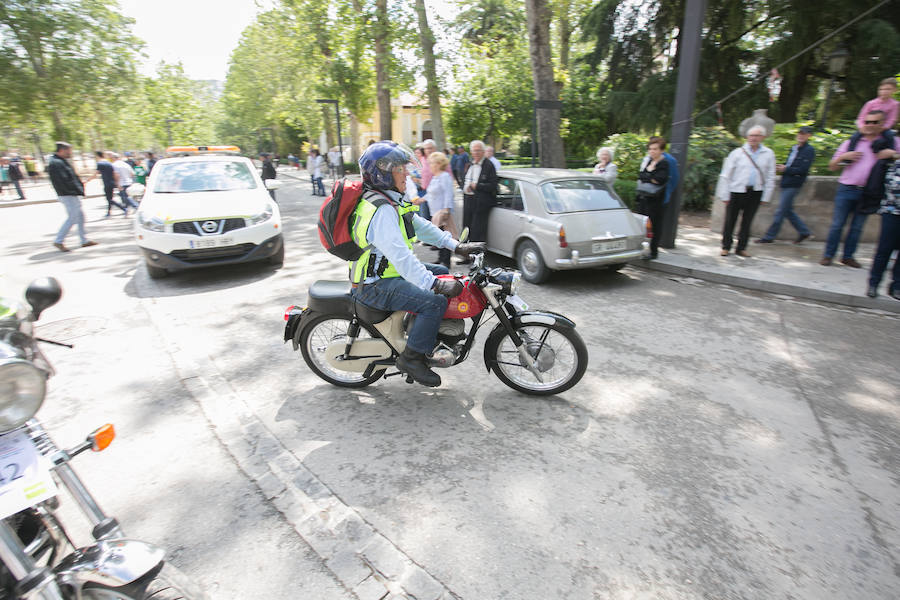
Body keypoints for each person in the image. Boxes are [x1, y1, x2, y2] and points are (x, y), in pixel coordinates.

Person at [348, 141, 484, 387]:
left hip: (386, 272)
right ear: (383, 173)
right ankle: (412, 358)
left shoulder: (390, 201)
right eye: (401, 169)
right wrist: (431, 284)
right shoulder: (381, 210)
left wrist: (456, 246)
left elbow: (420, 226)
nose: (407, 174)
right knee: (433, 300)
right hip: (374, 283)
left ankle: (425, 334)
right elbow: (402, 257)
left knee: (443, 272)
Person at [822, 110, 900, 266]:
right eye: (867, 122)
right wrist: (844, 157)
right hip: (847, 188)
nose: (870, 125)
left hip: (870, 192)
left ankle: (848, 256)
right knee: (837, 224)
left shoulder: (889, 143)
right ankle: (828, 255)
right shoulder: (852, 142)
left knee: (857, 227)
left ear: (883, 124)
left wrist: (893, 154)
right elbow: (832, 167)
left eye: (875, 122)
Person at [715, 125, 776, 257]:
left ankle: (741, 247)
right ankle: (726, 246)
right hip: (737, 190)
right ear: (747, 137)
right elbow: (726, 175)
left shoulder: (768, 154)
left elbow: (770, 176)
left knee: (747, 221)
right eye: (751, 135)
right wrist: (724, 195)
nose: (753, 138)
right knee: (730, 220)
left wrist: (766, 197)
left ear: (762, 137)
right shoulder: (737, 153)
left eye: (757, 135)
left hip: (755, 191)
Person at [756, 126, 815, 244]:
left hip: (794, 183)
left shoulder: (809, 150)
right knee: (787, 210)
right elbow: (791, 164)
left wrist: (786, 169)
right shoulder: (794, 148)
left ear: (809, 136)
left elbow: (803, 169)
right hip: (786, 181)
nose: (801, 135)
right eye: (800, 133)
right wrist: (783, 167)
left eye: (804, 134)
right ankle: (804, 232)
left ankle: (769, 236)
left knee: (781, 210)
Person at [48, 142, 98, 252]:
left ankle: (84, 240)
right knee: (73, 217)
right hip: (68, 194)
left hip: (71, 193)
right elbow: (65, 180)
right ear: (62, 150)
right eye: (69, 150)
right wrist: (75, 189)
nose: (70, 153)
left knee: (80, 217)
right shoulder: (56, 163)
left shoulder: (60, 161)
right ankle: (59, 240)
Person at [867, 153, 900, 299]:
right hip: (892, 213)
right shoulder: (896, 165)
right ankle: (873, 284)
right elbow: (894, 187)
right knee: (884, 250)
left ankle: (897, 286)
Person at [635, 137, 670, 260]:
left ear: (661, 150)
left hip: (655, 200)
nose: (652, 151)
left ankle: (653, 251)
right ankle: (642, 249)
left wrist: (648, 175)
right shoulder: (649, 161)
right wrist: (650, 176)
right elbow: (641, 176)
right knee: (642, 224)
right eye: (650, 149)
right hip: (644, 197)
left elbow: (660, 179)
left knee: (654, 225)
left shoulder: (664, 163)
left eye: (655, 149)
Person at [424, 151, 458, 269]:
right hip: (435, 212)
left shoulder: (444, 176)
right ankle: (440, 258)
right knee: (439, 236)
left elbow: (449, 194)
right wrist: (420, 200)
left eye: (432, 163)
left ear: (438, 164)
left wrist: (447, 209)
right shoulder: (435, 177)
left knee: (446, 236)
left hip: (443, 212)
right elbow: (430, 194)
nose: (430, 166)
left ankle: (446, 261)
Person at [461, 140, 498, 252]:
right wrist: (465, 186)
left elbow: (492, 186)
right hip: (468, 200)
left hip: (481, 203)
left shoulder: (489, 165)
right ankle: (466, 255)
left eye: (478, 151)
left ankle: (477, 259)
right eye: (474, 151)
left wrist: (477, 186)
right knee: (466, 229)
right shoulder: (470, 164)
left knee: (478, 232)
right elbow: (464, 179)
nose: (476, 153)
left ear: (483, 152)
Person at [89, 151, 126, 217]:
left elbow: (96, 174)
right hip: (112, 182)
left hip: (107, 183)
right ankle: (109, 212)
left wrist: (88, 180)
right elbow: (114, 173)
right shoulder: (109, 163)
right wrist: (117, 183)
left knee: (109, 199)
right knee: (110, 198)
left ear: (97, 156)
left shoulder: (100, 163)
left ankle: (123, 208)